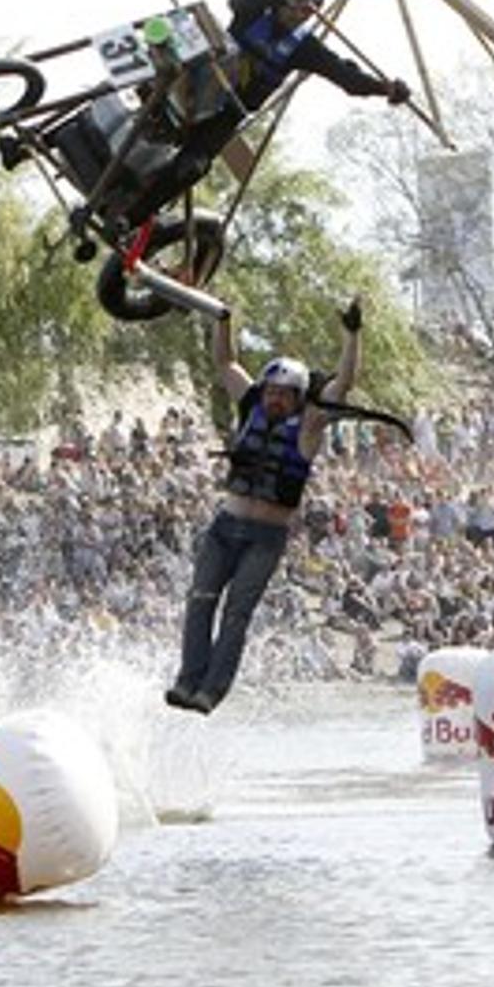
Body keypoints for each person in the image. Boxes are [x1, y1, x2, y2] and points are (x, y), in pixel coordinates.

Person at [164, 295, 365, 714]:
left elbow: (343, 384)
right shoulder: (249, 405)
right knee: (200, 598)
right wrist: (224, 319)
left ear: (297, 397)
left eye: (282, 394)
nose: (273, 398)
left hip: (265, 537)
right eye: (270, 390)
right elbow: (225, 363)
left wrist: (352, 336)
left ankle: (211, 691)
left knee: (236, 613)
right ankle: (187, 681)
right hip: (225, 527)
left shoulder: (309, 425)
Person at [130, 0, 410, 222]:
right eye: (292, 7)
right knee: (156, 61)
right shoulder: (251, 13)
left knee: (192, 167)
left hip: (227, 114)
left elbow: (347, 78)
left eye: (304, 13)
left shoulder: (305, 48)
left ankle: (132, 217)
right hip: (198, 83)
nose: (296, 16)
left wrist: (384, 88)